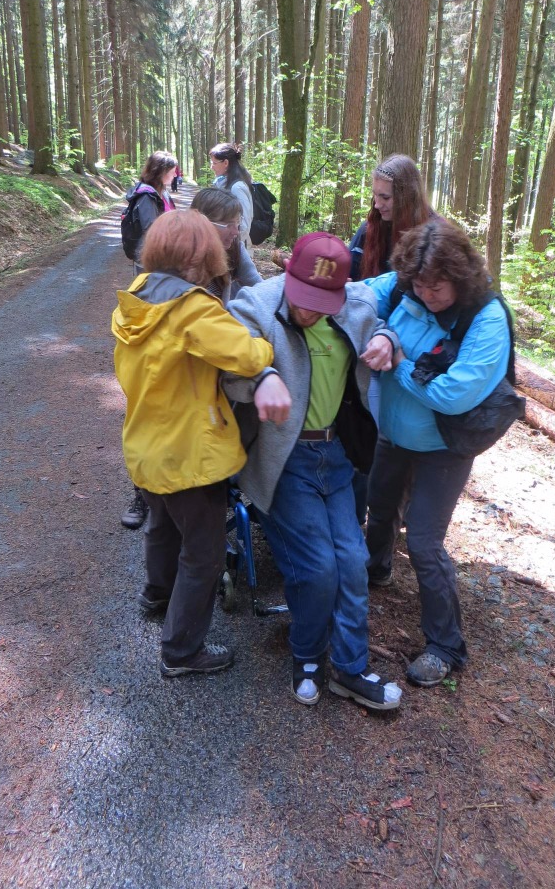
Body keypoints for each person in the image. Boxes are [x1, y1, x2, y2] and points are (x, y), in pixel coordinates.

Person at [222, 232, 403, 712]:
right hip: (284, 461)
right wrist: (261, 377)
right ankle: (306, 657)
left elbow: (385, 321)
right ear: (288, 275)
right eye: (303, 300)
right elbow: (224, 366)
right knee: (318, 568)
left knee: (352, 562)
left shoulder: (357, 305)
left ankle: (350, 668)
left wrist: (387, 338)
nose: (309, 312)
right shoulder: (256, 306)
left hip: (337, 457)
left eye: (323, 303)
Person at [111, 210, 274, 677]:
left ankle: (157, 595)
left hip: (146, 447)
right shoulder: (192, 310)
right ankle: (182, 651)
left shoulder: (136, 300)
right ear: (201, 257)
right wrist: (266, 349)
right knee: (202, 552)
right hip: (190, 454)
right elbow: (245, 354)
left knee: (162, 527)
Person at [361, 219, 511, 688]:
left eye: (437, 286)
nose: (426, 294)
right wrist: (384, 331)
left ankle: (446, 645)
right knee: (379, 510)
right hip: (394, 435)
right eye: (419, 284)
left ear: (460, 276)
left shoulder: (486, 317)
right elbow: (359, 293)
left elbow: (454, 395)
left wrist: (401, 363)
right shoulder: (405, 286)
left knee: (424, 543)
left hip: (445, 447)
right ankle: (377, 570)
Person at [120, 150, 178, 531]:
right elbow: (152, 244)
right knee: (148, 399)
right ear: (161, 171)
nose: (177, 174)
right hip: (153, 290)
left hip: (169, 289)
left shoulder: (159, 194)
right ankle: (142, 494)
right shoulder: (147, 198)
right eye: (173, 169)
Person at [349, 153, 440, 281]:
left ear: (407, 197)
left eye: (385, 197)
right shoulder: (369, 230)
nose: (377, 205)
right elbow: (348, 273)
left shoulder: (436, 235)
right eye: (375, 195)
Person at [190, 188, 261, 304]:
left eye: (237, 223)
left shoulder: (235, 249)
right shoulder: (181, 255)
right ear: (203, 223)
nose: (236, 232)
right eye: (228, 225)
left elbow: (259, 287)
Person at [209, 142, 253, 250]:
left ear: (225, 163)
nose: (211, 167)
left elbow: (244, 224)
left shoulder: (237, 188)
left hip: (235, 248)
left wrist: (231, 244)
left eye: (214, 163)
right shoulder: (223, 183)